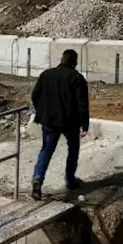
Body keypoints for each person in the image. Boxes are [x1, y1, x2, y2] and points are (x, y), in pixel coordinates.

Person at [29, 48, 89, 199]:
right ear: (74, 62)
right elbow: (82, 104)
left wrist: (42, 112)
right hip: (70, 121)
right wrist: (85, 124)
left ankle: (37, 180)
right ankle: (70, 180)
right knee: (73, 149)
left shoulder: (46, 75)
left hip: (49, 120)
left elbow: (35, 95)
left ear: (61, 59)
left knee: (47, 150)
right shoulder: (77, 78)